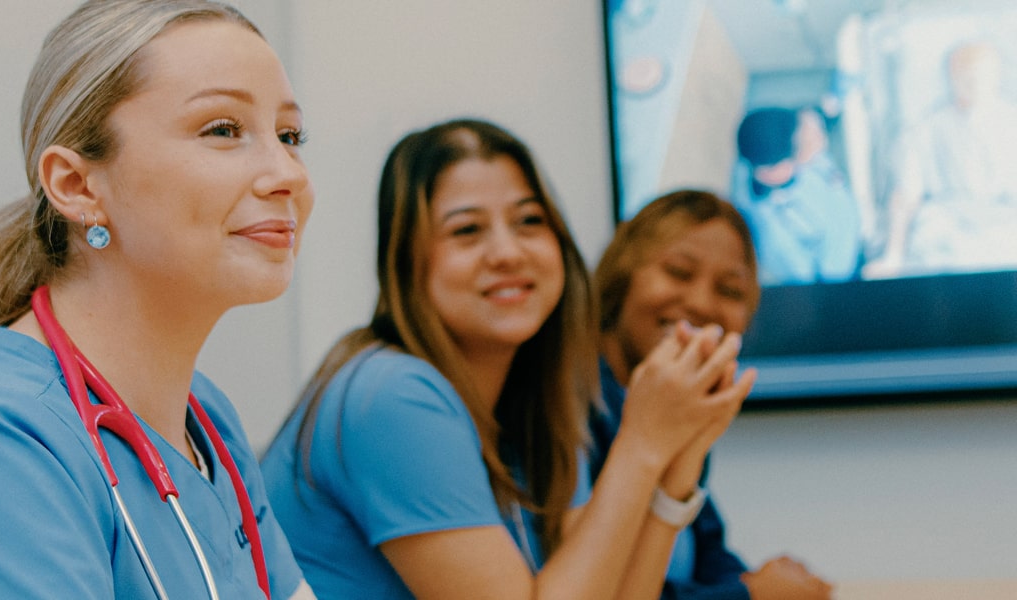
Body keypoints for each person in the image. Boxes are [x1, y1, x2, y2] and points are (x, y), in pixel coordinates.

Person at [0, 2, 316, 598]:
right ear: (77, 187)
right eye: (223, 130)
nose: (288, 172)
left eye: (290, 135)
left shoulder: (206, 422)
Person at [261, 119, 754, 599]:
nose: (508, 252)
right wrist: (640, 443)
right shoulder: (393, 394)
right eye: (467, 230)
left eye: (529, 222)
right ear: (407, 261)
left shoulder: (536, 401)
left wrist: (681, 458)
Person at [591, 190, 833, 600]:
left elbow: (705, 557)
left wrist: (759, 586)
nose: (701, 303)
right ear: (622, 275)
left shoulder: (679, 415)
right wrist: (752, 596)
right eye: (678, 272)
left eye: (730, 290)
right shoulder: (568, 415)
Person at [864, 41, 1017, 278]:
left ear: (997, 75)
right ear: (951, 78)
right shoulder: (923, 132)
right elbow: (906, 197)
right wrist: (893, 257)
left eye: (982, 74)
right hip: (953, 234)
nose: (975, 83)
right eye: (965, 76)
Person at [732, 107, 862, 286]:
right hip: (851, 276)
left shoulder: (800, 159)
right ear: (775, 169)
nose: (817, 142)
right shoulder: (772, 235)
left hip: (860, 232)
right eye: (805, 146)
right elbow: (812, 280)